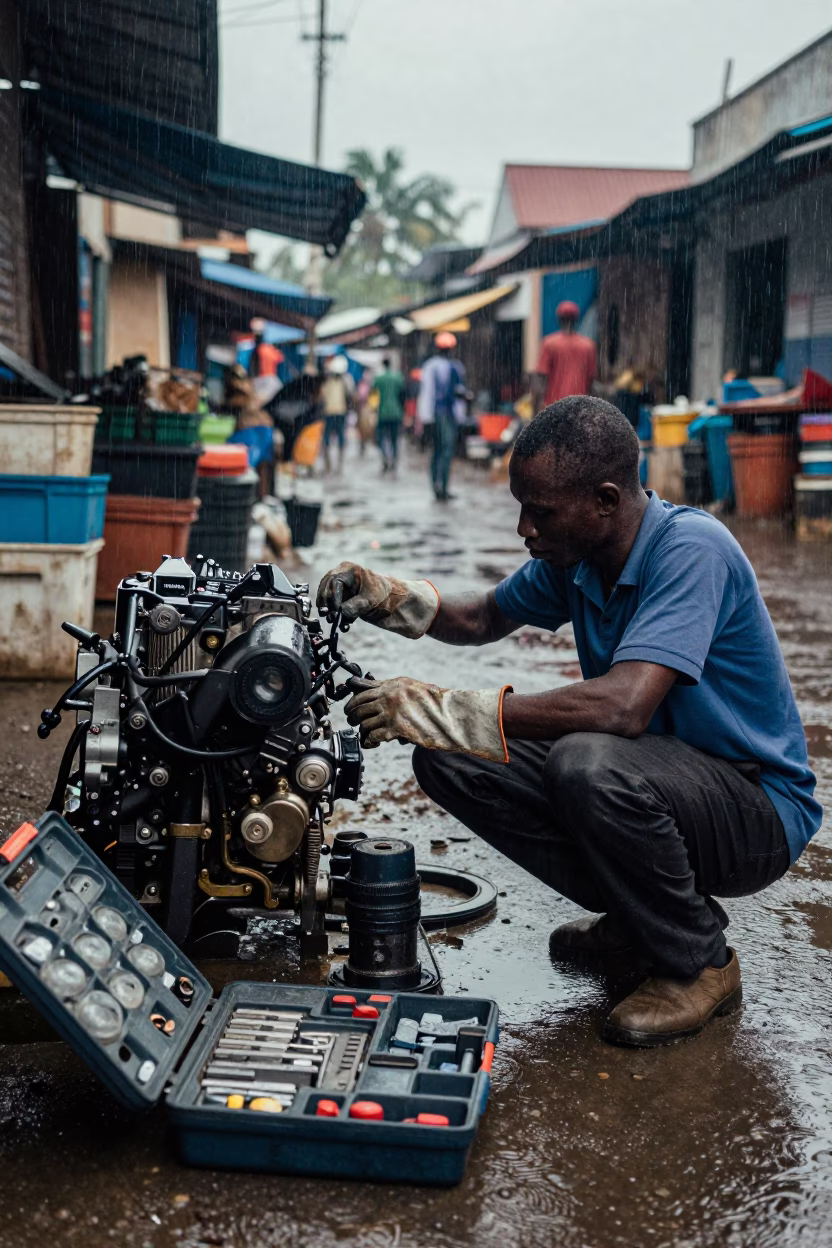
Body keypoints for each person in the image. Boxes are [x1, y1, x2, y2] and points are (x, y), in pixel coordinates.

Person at [317, 396, 821, 1048]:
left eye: (542, 512)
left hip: (755, 809)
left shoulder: (692, 550)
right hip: (664, 781)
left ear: (607, 501)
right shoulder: (579, 557)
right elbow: (482, 617)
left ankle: (699, 961)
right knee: (448, 756)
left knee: (585, 762)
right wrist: (389, 596)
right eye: (522, 506)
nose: (525, 528)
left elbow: (622, 707)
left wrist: (446, 707)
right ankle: (646, 919)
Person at [418, 332, 467, 501]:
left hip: (447, 414)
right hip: (440, 414)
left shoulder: (455, 367)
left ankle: (441, 486)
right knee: (443, 450)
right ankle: (439, 486)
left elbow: (458, 392)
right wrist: (426, 418)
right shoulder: (433, 367)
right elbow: (428, 393)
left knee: (442, 450)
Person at [532, 300, 597, 412]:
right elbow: (591, 382)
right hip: (579, 409)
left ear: (559, 319)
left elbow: (540, 380)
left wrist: (535, 409)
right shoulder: (588, 346)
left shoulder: (549, 343)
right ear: (576, 319)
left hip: (554, 408)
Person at [319, 354, 354, 473]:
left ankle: (337, 464)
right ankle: (329, 464)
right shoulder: (327, 380)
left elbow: (350, 396)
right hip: (331, 412)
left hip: (338, 412)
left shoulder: (344, 380)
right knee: (328, 438)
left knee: (338, 438)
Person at [372, 357, 405, 473]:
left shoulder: (379, 379)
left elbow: (373, 396)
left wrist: (373, 409)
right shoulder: (398, 378)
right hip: (396, 413)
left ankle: (385, 457)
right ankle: (394, 461)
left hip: (382, 413)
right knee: (395, 439)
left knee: (381, 438)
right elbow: (403, 395)